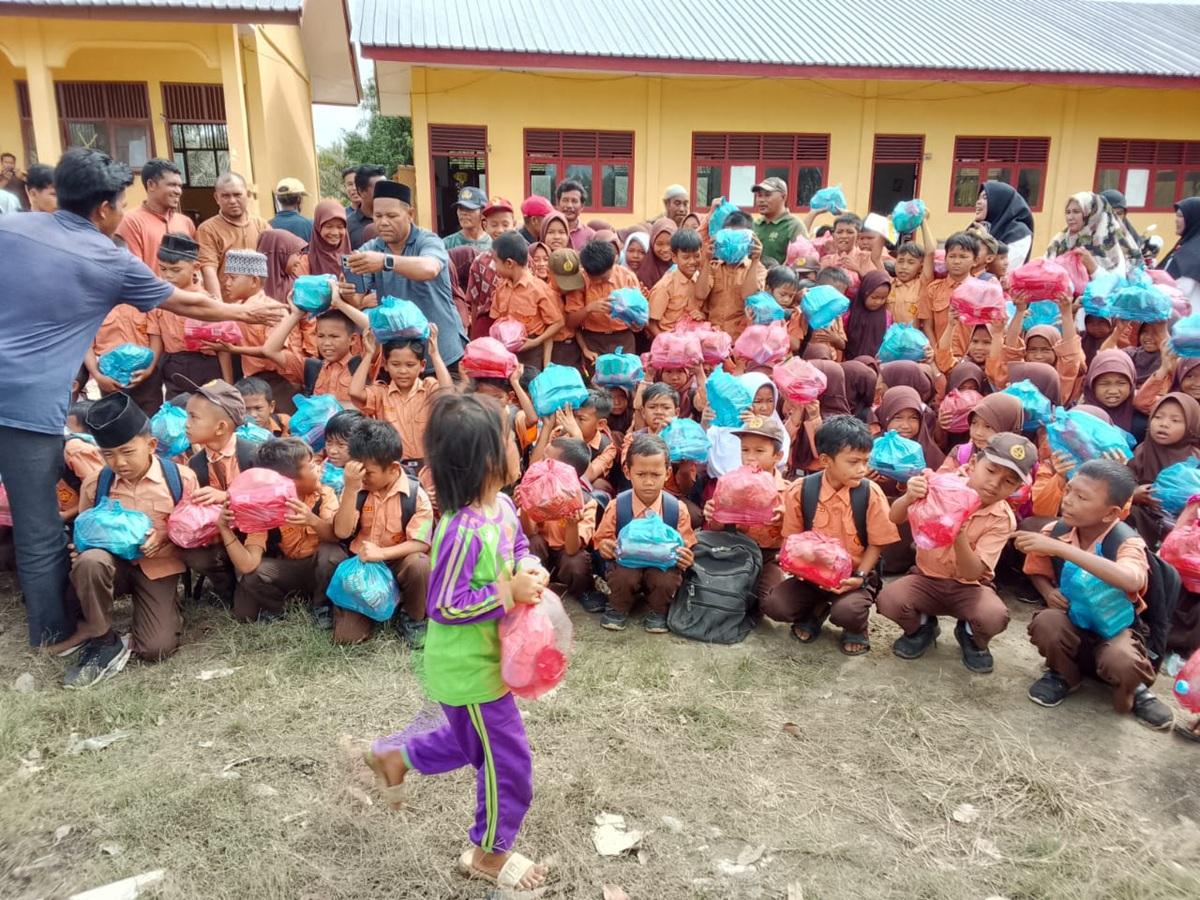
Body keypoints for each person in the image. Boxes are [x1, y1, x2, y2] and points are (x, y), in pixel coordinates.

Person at [0, 148, 282, 647]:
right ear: (107, 208)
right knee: (37, 523)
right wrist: (242, 315)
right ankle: (48, 631)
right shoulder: (105, 256)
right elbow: (184, 299)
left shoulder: (13, 229)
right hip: (25, 406)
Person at [359, 393, 550, 890]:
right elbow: (445, 604)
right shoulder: (461, 529)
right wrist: (506, 591)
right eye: (510, 437)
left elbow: (520, 545)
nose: (518, 443)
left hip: (493, 658)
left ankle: (394, 757)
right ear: (488, 458)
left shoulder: (502, 507)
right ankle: (489, 853)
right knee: (508, 764)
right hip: (471, 668)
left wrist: (528, 566)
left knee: (470, 743)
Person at [1016, 460, 1174, 729]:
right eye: (1069, 491)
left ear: (1110, 513)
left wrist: (1063, 550)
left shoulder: (1126, 542)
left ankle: (1133, 688)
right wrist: (1048, 590)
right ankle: (1064, 675)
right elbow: (1035, 568)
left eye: (1081, 497)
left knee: (1122, 659)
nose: (1068, 501)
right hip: (1074, 619)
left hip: (1117, 630)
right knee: (1046, 622)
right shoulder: (1056, 531)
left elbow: (1131, 578)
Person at [61, 393, 200, 686]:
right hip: (114, 567)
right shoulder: (96, 482)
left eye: (127, 452)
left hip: (158, 567)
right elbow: (85, 531)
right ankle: (102, 639)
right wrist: (81, 550)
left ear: (150, 445)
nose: (119, 462)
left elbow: (193, 531)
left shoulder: (180, 478)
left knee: (155, 649)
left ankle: (164, 614)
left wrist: (165, 536)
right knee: (90, 561)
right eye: (108, 454)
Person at [876, 433, 1035, 673]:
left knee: (994, 616)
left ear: (1017, 488)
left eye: (1008, 481)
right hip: (927, 578)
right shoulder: (941, 486)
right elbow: (894, 517)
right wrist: (909, 496)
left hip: (969, 588)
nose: (994, 483)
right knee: (889, 600)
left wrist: (957, 533)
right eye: (990, 471)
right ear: (972, 464)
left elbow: (973, 574)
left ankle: (970, 635)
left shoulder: (1002, 518)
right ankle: (923, 627)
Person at [765, 416, 899, 654]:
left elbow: (877, 545)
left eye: (866, 461)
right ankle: (814, 610)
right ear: (826, 460)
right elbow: (792, 542)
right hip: (811, 575)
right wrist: (798, 566)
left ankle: (856, 627)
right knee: (776, 605)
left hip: (854, 578)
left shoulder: (870, 493)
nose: (862, 469)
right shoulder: (801, 490)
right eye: (853, 462)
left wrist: (859, 576)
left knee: (847, 611)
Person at [314, 418, 434, 646]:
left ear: (393, 469)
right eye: (358, 470)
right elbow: (341, 532)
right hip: (362, 566)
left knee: (419, 563)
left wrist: (381, 553)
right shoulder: (356, 488)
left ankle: (413, 617)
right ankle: (350, 609)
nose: (362, 477)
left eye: (368, 473)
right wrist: (350, 488)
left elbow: (421, 543)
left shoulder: (416, 495)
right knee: (347, 638)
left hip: (396, 563)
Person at [222, 437, 347, 624]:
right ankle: (282, 607)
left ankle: (322, 606)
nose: (319, 469)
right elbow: (249, 565)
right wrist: (224, 528)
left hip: (319, 566)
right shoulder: (264, 509)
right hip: (290, 569)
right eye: (312, 466)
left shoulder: (324, 494)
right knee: (248, 594)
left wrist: (312, 520)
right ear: (288, 481)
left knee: (331, 554)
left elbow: (336, 536)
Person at [347, 180, 466, 369]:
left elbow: (429, 268)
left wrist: (385, 262)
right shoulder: (371, 248)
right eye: (378, 216)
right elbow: (356, 298)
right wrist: (347, 290)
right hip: (400, 359)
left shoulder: (427, 241)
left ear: (410, 214)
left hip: (441, 353)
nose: (383, 222)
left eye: (391, 215)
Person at [594, 433, 696, 633]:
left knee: (666, 579)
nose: (648, 482)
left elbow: (687, 545)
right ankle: (618, 608)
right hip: (626, 567)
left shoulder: (677, 509)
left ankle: (658, 611)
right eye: (641, 474)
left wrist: (686, 557)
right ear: (627, 471)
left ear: (667, 474)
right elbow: (601, 541)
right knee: (623, 576)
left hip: (661, 568)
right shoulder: (618, 506)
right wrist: (606, 547)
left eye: (655, 475)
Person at [350, 323, 454, 472]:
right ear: (385, 365)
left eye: (410, 365)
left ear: (422, 365)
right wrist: (368, 354)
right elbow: (355, 392)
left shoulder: (428, 388)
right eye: (396, 364)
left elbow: (448, 395)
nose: (403, 371)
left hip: (429, 467)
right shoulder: (381, 393)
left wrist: (435, 354)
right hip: (394, 467)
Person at [153, 233, 234, 393]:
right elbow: (157, 341)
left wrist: (228, 385)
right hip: (172, 367)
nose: (168, 275)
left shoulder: (207, 301)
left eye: (176, 270)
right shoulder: (159, 301)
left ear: (196, 267)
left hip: (205, 367)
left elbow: (222, 349)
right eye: (163, 269)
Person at [489, 231, 564, 369]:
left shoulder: (539, 289)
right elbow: (496, 318)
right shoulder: (501, 287)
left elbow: (557, 323)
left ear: (509, 263)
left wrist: (536, 342)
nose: (494, 267)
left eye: (496, 262)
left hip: (531, 353)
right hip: (506, 352)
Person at [196, 172, 269, 299]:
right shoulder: (208, 229)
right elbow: (209, 270)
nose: (232, 201)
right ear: (216, 198)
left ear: (248, 194)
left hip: (259, 303)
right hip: (228, 305)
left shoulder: (261, 225)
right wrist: (218, 309)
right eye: (225, 196)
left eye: (237, 195)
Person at [115, 158, 195, 274]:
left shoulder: (186, 222)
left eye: (180, 186)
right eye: (172, 185)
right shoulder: (130, 222)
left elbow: (194, 267)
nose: (178, 191)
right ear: (151, 185)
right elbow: (134, 274)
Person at [567, 239, 643, 360]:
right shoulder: (579, 280)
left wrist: (629, 314)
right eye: (593, 278)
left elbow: (640, 320)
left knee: (627, 377)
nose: (598, 282)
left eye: (603, 278)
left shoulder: (627, 278)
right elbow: (570, 322)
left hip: (623, 338)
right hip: (592, 341)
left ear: (613, 263)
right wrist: (589, 308)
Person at [1046, 191, 1141, 277]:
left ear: (1092, 214)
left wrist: (1094, 268)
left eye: (1076, 212)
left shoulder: (1109, 242)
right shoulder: (1059, 241)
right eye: (1068, 212)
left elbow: (1117, 283)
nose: (1070, 217)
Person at [647, 228, 704, 336]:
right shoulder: (665, 286)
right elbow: (651, 323)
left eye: (696, 256)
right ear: (674, 258)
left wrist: (702, 315)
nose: (692, 261)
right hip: (669, 343)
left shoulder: (701, 281)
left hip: (693, 342)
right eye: (686, 257)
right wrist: (665, 343)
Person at [975, 181, 1034, 267]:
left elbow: (1006, 268)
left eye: (985, 198)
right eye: (978, 198)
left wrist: (986, 240)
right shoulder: (980, 227)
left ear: (999, 202)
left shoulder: (1018, 233)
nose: (978, 202)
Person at [752, 176, 805, 266]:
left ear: (783, 197)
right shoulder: (755, 225)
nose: (761, 200)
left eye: (767, 195)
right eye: (759, 195)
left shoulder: (793, 226)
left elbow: (802, 260)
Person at [1162, 197, 1200, 310]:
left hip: (1184, 320)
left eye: (1180, 216)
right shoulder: (1187, 245)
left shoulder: (1193, 251)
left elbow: (1182, 289)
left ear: (1194, 218)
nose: (1176, 220)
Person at [307, 199, 351, 278]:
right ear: (318, 227)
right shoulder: (305, 261)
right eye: (329, 226)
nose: (335, 232)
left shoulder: (353, 259)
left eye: (340, 227)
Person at [348, 164, 386, 248]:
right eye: (380, 188)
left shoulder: (396, 220)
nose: (385, 192)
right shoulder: (348, 227)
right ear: (362, 191)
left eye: (386, 187)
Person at [638, 217, 677, 290]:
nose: (665, 249)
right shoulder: (646, 270)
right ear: (652, 243)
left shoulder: (683, 265)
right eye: (659, 244)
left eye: (669, 243)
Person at [556, 179, 594, 250]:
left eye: (574, 201)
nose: (569, 205)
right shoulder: (547, 232)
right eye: (565, 200)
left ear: (582, 206)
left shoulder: (591, 236)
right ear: (558, 204)